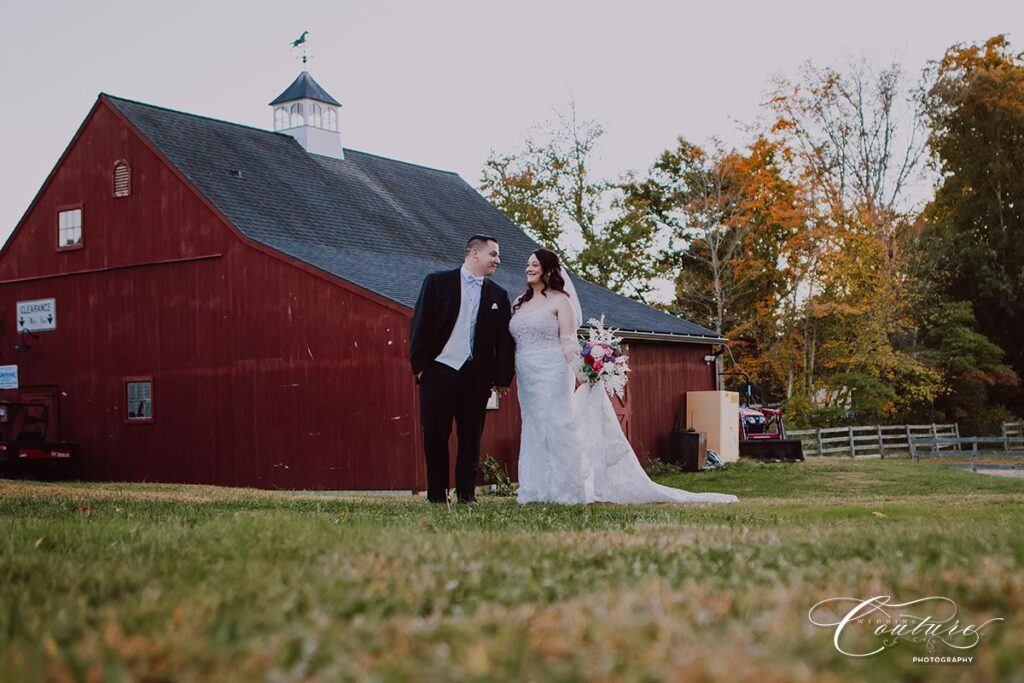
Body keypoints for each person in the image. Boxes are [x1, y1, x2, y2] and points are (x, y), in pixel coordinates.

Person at [510, 248, 738, 505]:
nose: (529, 268)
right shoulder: (520, 302)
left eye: (535, 264)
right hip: (527, 374)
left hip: (553, 371)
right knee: (534, 427)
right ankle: (536, 489)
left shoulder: (560, 301)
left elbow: (567, 340)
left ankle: (566, 490)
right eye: (527, 264)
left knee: (558, 425)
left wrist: (582, 372)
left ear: (548, 269)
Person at [409, 235, 515, 503]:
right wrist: (421, 368)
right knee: (435, 435)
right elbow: (419, 324)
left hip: (476, 376)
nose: (498, 260)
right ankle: (436, 494)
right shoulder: (437, 282)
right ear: (475, 253)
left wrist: (502, 377)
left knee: (470, 438)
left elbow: (504, 340)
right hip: (439, 370)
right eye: (493, 254)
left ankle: (467, 495)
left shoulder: (498, 295)